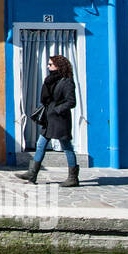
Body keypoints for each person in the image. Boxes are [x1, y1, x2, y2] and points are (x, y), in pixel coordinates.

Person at [16, 53, 80, 187]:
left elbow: (71, 102)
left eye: (50, 64)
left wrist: (57, 109)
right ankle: (32, 174)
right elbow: (45, 98)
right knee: (40, 145)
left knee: (67, 147)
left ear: (58, 66)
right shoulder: (50, 80)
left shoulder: (67, 81)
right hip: (49, 120)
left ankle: (73, 178)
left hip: (60, 120)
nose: (47, 66)